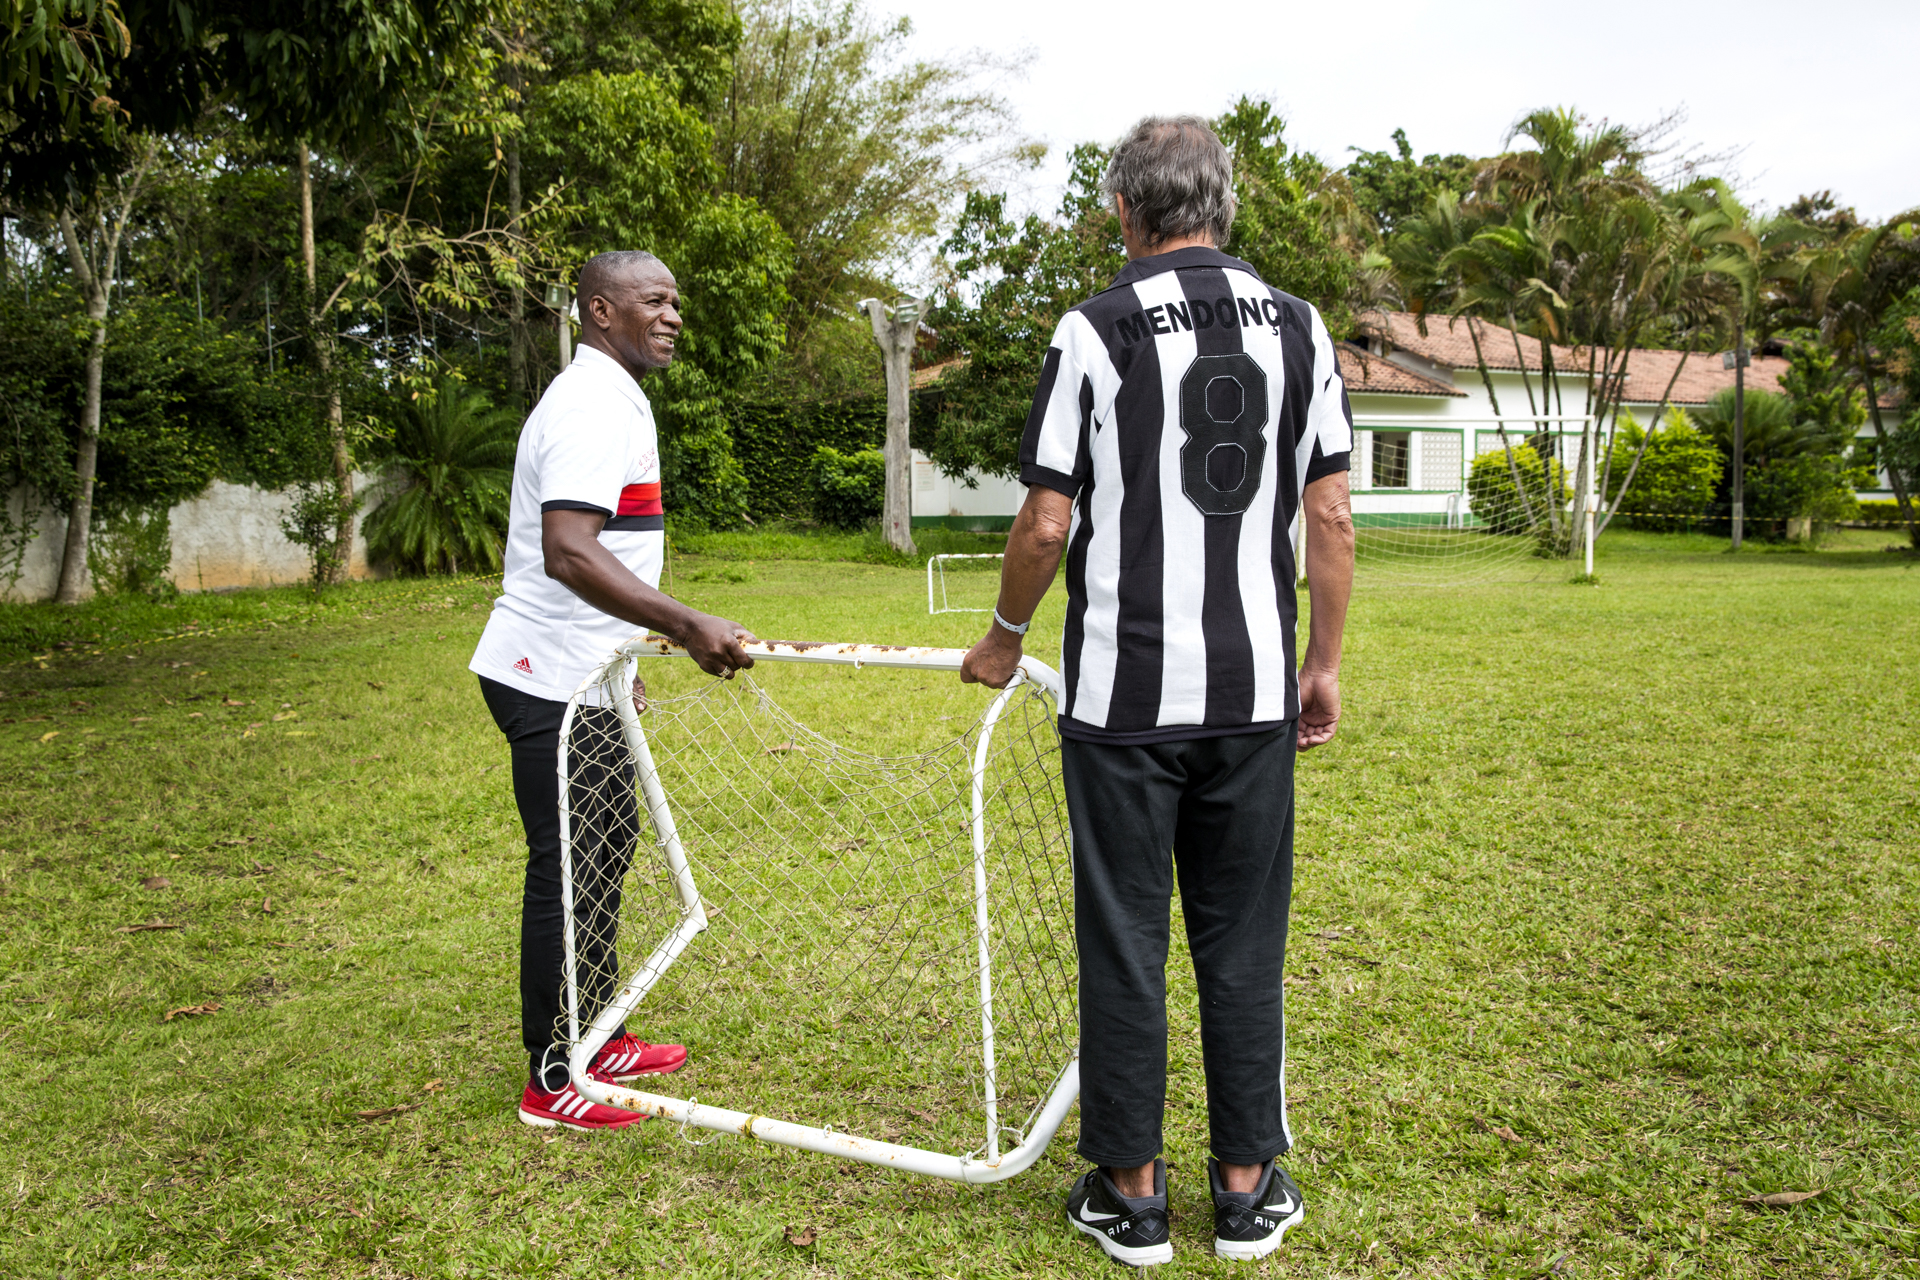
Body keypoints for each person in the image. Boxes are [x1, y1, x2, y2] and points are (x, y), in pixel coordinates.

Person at [960, 116, 1356, 1265]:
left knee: (1126, 936)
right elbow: (1328, 512)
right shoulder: (1302, 325)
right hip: (1250, 696)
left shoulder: (1095, 327)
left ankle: (1131, 1194)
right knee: (1243, 936)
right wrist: (1320, 662)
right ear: (1223, 206)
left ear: (1125, 213)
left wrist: (1000, 635)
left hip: (1122, 699)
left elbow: (1046, 518)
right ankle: (1245, 1188)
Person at [471, 250, 757, 1130]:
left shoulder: (613, 395)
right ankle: (556, 1079)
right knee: (567, 869)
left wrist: (626, 663)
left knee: (606, 851)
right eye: (652, 301)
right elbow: (570, 551)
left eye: (676, 301)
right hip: (547, 678)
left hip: (591, 676)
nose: (672, 316)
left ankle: (599, 1032)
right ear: (599, 311)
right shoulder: (590, 403)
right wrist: (685, 624)